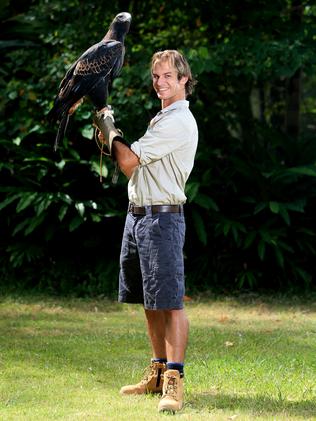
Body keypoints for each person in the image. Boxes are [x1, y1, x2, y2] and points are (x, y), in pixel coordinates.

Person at [94, 49, 198, 413]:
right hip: (138, 216)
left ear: (184, 79)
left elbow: (126, 161)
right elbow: (133, 165)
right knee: (150, 301)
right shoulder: (161, 117)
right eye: (156, 76)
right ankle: (156, 373)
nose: (160, 82)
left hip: (162, 219)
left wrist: (108, 123)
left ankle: (175, 380)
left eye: (168, 76)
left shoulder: (178, 122)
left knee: (169, 302)